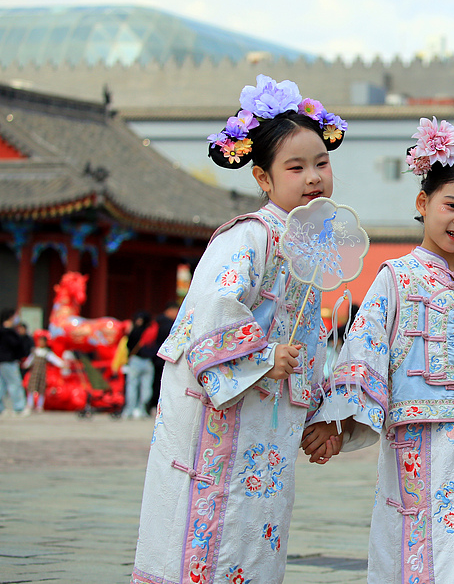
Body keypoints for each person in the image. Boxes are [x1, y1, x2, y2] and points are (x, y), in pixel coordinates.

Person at [303, 118, 454, 583]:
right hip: (416, 442)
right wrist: (337, 422)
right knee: (416, 548)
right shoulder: (395, 277)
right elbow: (364, 353)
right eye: (451, 205)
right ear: (423, 202)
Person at [131, 75, 350, 584]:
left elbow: (309, 340)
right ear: (262, 177)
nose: (313, 177)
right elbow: (213, 309)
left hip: (269, 417)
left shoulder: (307, 245)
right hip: (223, 406)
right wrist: (262, 357)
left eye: (321, 163)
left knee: (257, 527)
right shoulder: (249, 235)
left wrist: (322, 416)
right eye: (295, 167)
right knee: (210, 527)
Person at [122, 311, 157, 419]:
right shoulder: (152, 331)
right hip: (148, 361)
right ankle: (142, 410)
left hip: (135, 360)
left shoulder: (135, 330)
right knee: (146, 387)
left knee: (132, 386)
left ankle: (129, 410)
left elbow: (128, 344)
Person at [22, 329, 67, 412]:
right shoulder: (35, 351)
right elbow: (29, 361)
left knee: (41, 389)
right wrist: (25, 364)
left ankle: (40, 405)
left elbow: (55, 360)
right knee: (31, 388)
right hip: (34, 373)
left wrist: (62, 364)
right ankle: (30, 404)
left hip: (42, 373)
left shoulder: (47, 352)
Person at [0, 308, 29, 417]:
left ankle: (1, 408)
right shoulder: (9, 332)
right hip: (8, 361)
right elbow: (17, 345)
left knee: (1, 385)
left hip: (2, 361)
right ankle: (19, 407)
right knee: (14, 384)